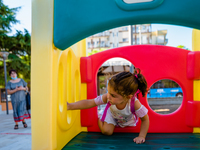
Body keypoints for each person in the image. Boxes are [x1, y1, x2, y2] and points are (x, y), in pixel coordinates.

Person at [67, 68, 149, 144]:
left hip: (127, 118)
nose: (108, 96)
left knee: (127, 130)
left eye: (113, 95)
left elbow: (145, 119)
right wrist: (70, 106)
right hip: (112, 115)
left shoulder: (134, 103)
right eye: (108, 92)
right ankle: (100, 118)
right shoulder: (107, 97)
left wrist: (141, 136)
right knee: (107, 132)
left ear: (128, 97)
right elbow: (90, 102)